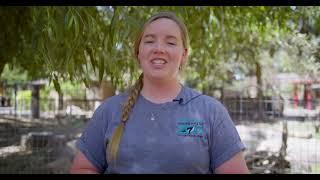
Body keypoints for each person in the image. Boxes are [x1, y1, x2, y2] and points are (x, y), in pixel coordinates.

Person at [70, 11, 249, 174]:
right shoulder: (108, 111)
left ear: (184, 54)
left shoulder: (210, 112)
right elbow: (83, 169)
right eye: (149, 41)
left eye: (170, 42)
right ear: (138, 52)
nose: (159, 49)